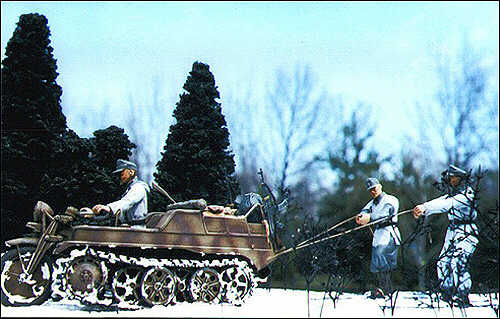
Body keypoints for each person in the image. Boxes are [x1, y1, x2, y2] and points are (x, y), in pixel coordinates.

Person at [413, 164, 478, 306]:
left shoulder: (467, 194)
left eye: (453, 178)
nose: (451, 180)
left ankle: (462, 295)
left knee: (459, 263)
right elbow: (441, 200)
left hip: (466, 230)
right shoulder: (454, 193)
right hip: (453, 229)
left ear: (461, 179)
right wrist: (424, 207)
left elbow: (448, 204)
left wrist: (425, 208)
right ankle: (447, 292)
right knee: (443, 261)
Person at [356, 178, 401, 299]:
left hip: (389, 233)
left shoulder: (391, 200)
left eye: (374, 189)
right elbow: (365, 210)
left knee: (383, 260)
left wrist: (369, 217)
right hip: (379, 234)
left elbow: (386, 214)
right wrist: (362, 216)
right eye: (370, 190)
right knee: (377, 263)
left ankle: (387, 290)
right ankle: (381, 289)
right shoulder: (373, 202)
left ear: (380, 187)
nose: (373, 192)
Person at [92, 159, 150, 225]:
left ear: (131, 172)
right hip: (129, 228)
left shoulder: (138, 187)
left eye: (122, 174)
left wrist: (109, 208)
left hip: (137, 231)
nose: (120, 177)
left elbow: (127, 202)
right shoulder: (129, 188)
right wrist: (93, 214)